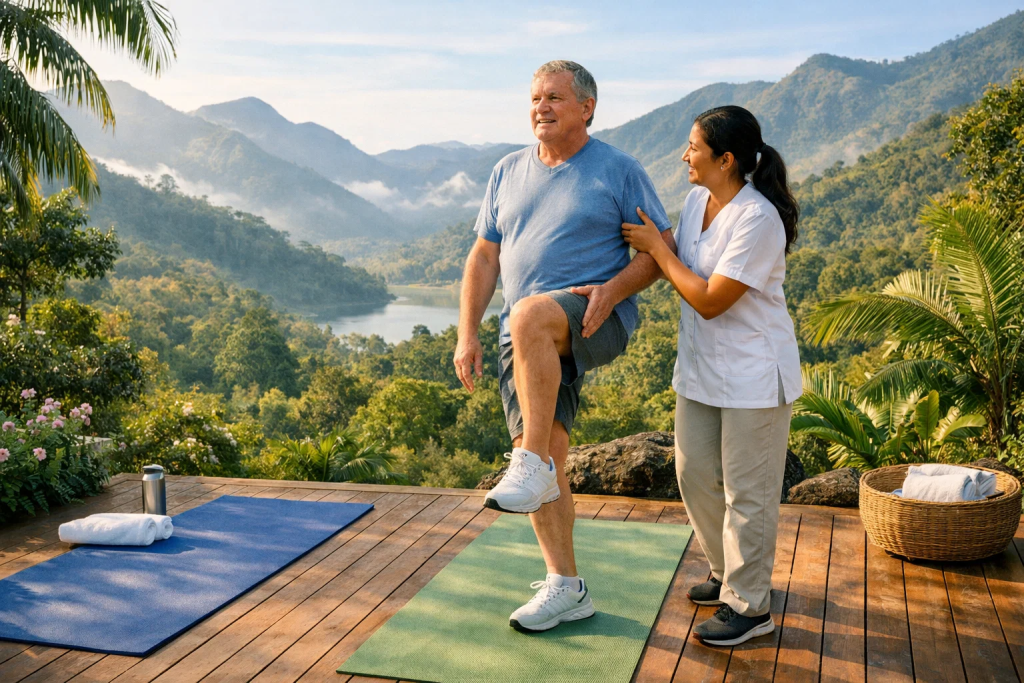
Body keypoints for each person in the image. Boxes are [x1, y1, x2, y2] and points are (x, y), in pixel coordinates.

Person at [454, 60, 673, 633]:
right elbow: (484, 256)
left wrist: (614, 290)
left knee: (529, 317)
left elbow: (662, 248)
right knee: (547, 447)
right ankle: (566, 587)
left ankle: (527, 466)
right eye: (534, 98)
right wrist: (467, 332)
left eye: (553, 97)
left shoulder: (618, 170)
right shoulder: (507, 170)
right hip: (525, 338)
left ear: (586, 107)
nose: (541, 107)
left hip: (597, 315)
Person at [622, 105, 802, 647]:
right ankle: (727, 573)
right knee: (694, 473)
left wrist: (658, 248)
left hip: (754, 375)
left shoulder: (758, 219)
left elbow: (709, 299)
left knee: (749, 493)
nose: (685, 157)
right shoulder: (697, 200)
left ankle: (751, 607)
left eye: (693, 148)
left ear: (725, 160)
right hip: (701, 370)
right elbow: (680, 263)